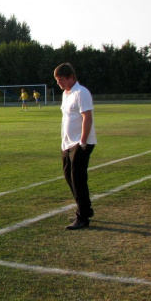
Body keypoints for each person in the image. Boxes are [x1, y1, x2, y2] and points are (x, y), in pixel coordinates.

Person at [54, 63, 97, 230]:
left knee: (78, 179)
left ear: (71, 77)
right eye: (57, 80)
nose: (59, 83)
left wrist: (83, 142)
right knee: (69, 177)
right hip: (67, 144)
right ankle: (85, 209)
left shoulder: (81, 92)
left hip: (80, 143)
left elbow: (87, 118)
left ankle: (83, 217)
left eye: (62, 80)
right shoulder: (66, 94)